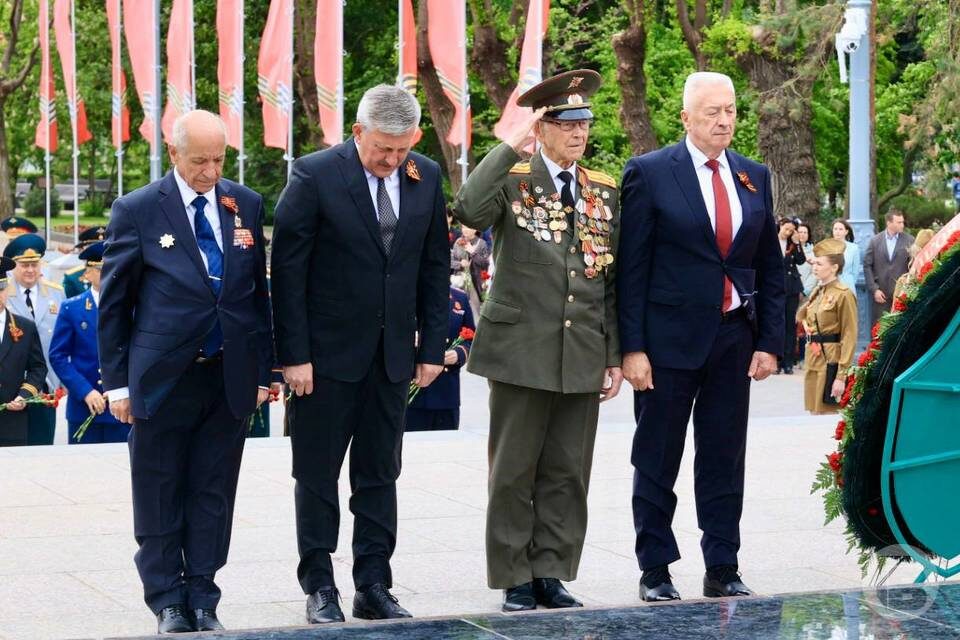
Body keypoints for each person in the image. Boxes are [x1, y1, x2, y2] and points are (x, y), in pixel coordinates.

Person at [271, 84, 448, 624]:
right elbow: (289, 271)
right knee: (318, 473)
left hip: (392, 356)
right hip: (324, 360)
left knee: (379, 473)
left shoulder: (426, 176)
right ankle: (319, 585)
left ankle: (374, 583)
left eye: (401, 150)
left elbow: (433, 265)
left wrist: (432, 346)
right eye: (381, 151)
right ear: (357, 132)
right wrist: (293, 355)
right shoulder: (314, 174)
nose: (391, 161)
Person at [453, 69, 623, 612]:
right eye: (566, 122)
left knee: (567, 471)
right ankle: (514, 575)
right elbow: (469, 209)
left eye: (585, 122)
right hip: (521, 347)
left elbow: (609, 279)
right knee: (514, 469)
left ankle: (552, 570)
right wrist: (507, 148)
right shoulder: (514, 177)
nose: (579, 132)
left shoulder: (602, 189)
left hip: (582, 351)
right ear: (542, 127)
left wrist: (613, 355)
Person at [98, 110, 273, 634]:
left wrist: (264, 370)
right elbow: (115, 304)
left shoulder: (244, 203)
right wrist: (118, 384)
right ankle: (166, 599)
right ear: (173, 154)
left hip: (228, 375)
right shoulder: (137, 210)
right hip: (162, 376)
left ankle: (203, 592)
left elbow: (256, 296)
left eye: (219, 159)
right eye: (199, 160)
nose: (210, 170)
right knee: (159, 487)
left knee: (213, 490)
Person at [617, 71, 785, 602]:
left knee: (723, 456)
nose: (724, 121)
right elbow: (632, 268)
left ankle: (723, 565)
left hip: (733, 338)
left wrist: (770, 342)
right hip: (666, 343)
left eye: (731, 110)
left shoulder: (753, 175)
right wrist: (632, 347)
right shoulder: (650, 173)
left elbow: (769, 266)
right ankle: (656, 569)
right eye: (713, 112)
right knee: (657, 456)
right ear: (687, 117)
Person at [49, 242, 128, 444]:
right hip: (84, 406)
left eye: (111, 268)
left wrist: (122, 388)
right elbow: (58, 356)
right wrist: (85, 391)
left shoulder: (130, 306)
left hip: (121, 405)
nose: (107, 274)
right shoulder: (72, 308)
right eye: (101, 269)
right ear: (88, 273)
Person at [3, 233, 64, 445]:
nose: (30, 270)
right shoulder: (4, 294)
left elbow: (63, 341)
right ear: (14, 267)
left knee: (42, 444)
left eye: (34, 264)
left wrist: (61, 381)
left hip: (46, 387)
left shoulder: (57, 294)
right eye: (24, 265)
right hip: (10, 389)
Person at [798, 238, 857, 414]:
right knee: (814, 410)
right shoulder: (819, 290)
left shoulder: (843, 294)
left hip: (830, 358)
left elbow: (849, 335)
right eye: (814, 263)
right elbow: (802, 316)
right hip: (813, 355)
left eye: (820, 263)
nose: (814, 267)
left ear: (834, 267)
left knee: (827, 412)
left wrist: (841, 375)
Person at [405, 286, 474, 431]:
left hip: (446, 394)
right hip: (410, 392)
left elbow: (472, 338)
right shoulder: (405, 294)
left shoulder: (459, 297)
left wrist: (459, 353)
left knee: (446, 448)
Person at [0, 255, 47, 447]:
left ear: (7, 290)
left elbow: (38, 368)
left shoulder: (24, 327)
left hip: (13, 421)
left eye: (1, 289)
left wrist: (24, 395)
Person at [863, 209, 914, 325]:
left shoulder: (910, 240)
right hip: (881, 294)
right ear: (889, 223)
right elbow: (867, 265)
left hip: (901, 295)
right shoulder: (875, 241)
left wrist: (908, 288)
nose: (902, 225)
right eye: (899, 222)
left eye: (902, 222)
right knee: (879, 330)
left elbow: (913, 266)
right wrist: (874, 289)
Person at [777, 218, 805, 374]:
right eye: (786, 229)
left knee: (789, 325)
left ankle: (788, 362)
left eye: (791, 231)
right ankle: (778, 360)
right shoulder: (771, 240)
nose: (787, 233)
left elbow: (801, 261)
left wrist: (798, 243)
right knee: (777, 324)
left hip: (791, 288)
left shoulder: (792, 245)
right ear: (781, 226)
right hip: (775, 288)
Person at [450, 225, 490, 315]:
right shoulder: (458, 242)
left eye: (468, 227)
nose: (465, 230)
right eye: (463, 227)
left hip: (475, 283)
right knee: (458, 309)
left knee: (474, 311)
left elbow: (486, 264)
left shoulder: (481, 243)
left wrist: (473, 252)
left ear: (475, 229)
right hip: (459, 281)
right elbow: (450, 261)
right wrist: (460, 264)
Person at [829, 219, 862, 292]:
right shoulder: (827, 247)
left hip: (847, 286)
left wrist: (850, 283)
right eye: (835, 229)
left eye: (840, 229)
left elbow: (855, 271)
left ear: (846, 232)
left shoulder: (854, 248)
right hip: (830, 286)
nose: (837, 231)